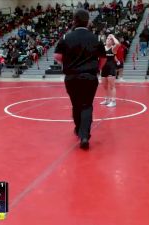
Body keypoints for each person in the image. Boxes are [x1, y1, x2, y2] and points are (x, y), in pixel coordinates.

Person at [54, 9, 107, 150]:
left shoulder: (66, 37)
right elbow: (103, 58)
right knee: (87, 105)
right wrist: (97, 69)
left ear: (74, 21)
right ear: (88, 21)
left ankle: (78, 129)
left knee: (76, 105)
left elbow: (57, 56)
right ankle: (84, 135)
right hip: (90, 77)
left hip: (71, 78)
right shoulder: (96, 38)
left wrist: (66, 63)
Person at [100, 34, 120, 108]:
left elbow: (118, 44)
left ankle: (113, 101)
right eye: (107, 38)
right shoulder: (102, 48)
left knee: (112, 86)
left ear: (112, 42)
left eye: (110, 39)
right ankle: (107, 100)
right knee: (105, 86)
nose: (108, 39)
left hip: (111, 68)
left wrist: (113, 37)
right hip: (103, 69)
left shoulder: (113, 49)